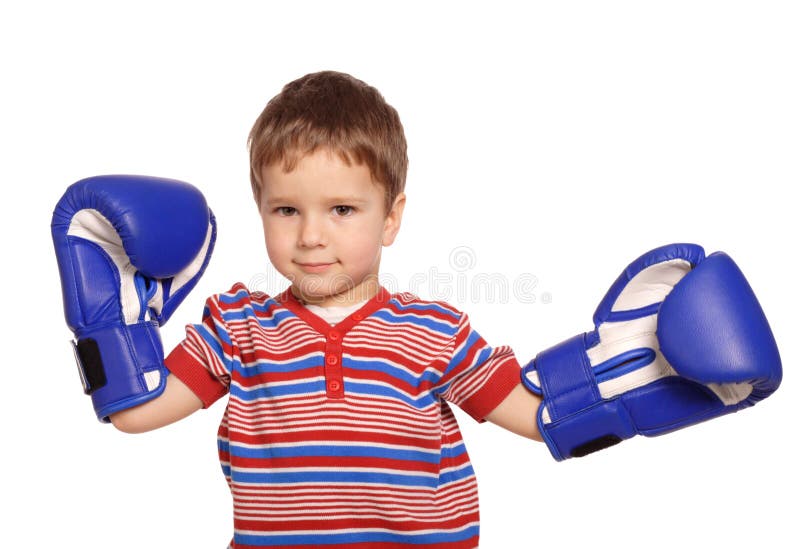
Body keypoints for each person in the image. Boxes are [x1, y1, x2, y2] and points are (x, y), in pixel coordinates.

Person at [52, 70, 781, 549]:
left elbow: (536, 414)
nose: (311, 234)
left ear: (391, 216)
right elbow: (135, 410)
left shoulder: (432, 331)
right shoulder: (236, 326)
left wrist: (641, 373)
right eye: (285, 208)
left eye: (342, 208)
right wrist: (112, 320)